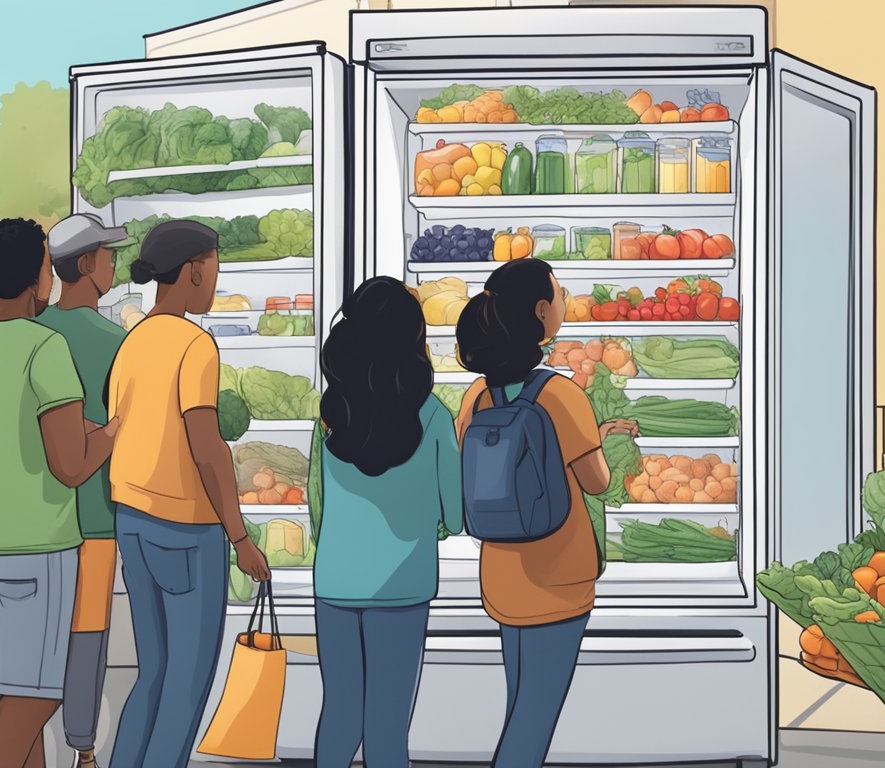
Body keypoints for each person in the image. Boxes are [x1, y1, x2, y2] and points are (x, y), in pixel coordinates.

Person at [0, 218, 118, 768]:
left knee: (6, 685)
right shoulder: (45, 347)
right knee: (34, 693)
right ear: (40, 276)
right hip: (38, 547)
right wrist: (110, 434)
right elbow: (70, 467)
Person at [453, 259, 638, 767]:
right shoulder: (562, 394)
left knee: (521, 703)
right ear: (541, 312)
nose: (563, 301)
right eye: (560, 294)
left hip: (502, 572)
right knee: (535, 716)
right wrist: (602, 449)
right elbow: (595, 481)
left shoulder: (476, 395)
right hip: (558, 576)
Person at [105, 220, 270, 768]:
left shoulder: (133, 343)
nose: (216, 279)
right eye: (216, 267)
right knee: (188, 677)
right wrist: (240, 536)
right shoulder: (195, 344)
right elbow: (206, 445)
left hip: (131, 518)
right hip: (185, 529)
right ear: (196, 269)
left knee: (153, 671)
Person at [308, 276, 465, 768]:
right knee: (387, 724)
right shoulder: (434, 417)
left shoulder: (330, 416)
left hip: (334, 582)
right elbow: (456, 515)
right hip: (402, 587)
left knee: (340, 713)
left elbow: (316, 510)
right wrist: (429, 522)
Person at [37, 213, 136, 768]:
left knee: (39, 633)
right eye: (107, 255)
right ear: (85, 265)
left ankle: (27, 735)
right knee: (87, 632)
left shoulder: (36, 333)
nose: (113, 263)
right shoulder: (116, 341)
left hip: (39, 511)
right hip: (96, 511)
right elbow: (130, 427)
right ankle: (83, 746)